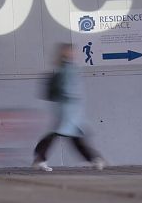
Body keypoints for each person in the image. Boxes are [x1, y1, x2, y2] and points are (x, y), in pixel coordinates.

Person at [32, 43, 106, 171]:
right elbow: (68, 89)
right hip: (69, 109)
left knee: (69, 135)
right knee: (66, 134)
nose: (74, 53)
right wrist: (68, 98)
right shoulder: (69, 68)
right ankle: (95, 159)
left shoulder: (65, 68)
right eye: (71, 51)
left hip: (68, 109)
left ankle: (40, 159)